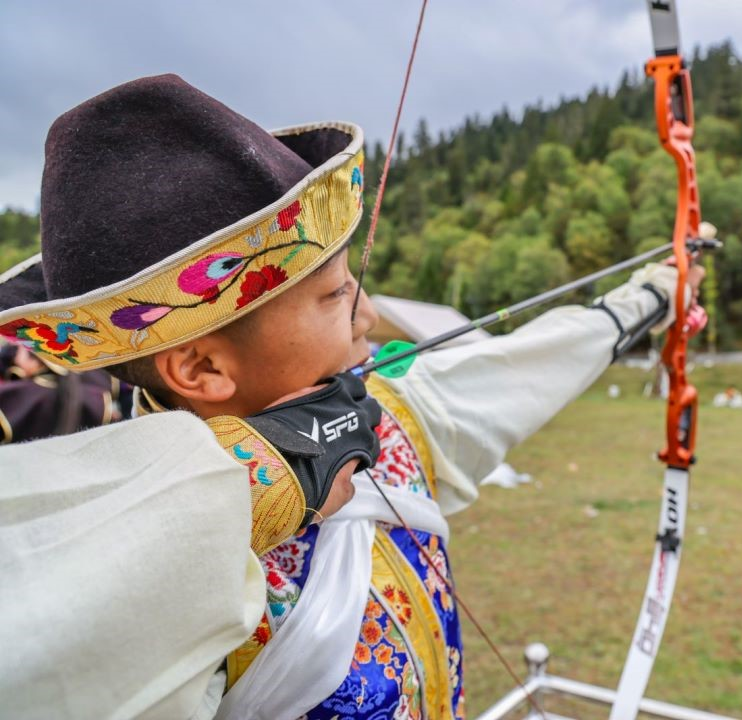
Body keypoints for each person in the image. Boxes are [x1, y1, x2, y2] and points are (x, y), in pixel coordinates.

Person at [0, 74, 703, 719]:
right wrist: (246, 483)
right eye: (336, 295)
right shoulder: (125, 575)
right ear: (203, 366)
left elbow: (529, 365)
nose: (366, 314)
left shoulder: (387, 422)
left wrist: (655, 295)